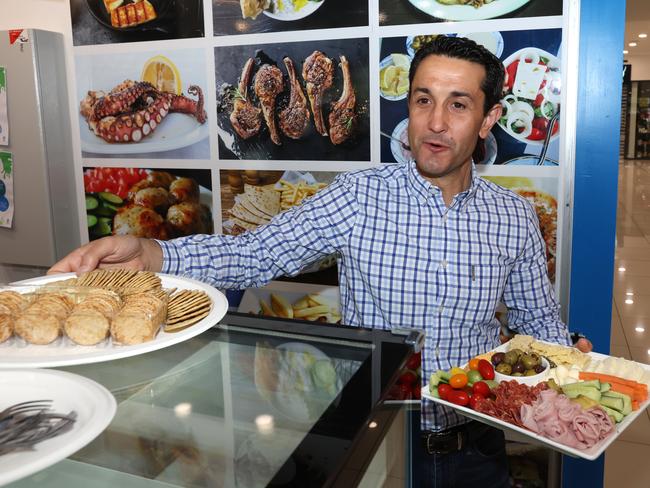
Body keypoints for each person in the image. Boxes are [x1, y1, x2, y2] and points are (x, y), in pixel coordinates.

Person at [51, 36, 591, 487]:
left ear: (490, 116)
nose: (434, 123)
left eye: (458, 104)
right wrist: (154, 251)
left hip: (475, 449)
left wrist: (572, 359)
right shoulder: (359, 196)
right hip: (376, 439)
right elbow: (255, 253)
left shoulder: (514, 218)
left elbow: (534, 320)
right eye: (423, 100)